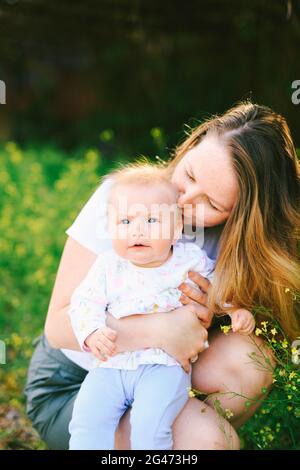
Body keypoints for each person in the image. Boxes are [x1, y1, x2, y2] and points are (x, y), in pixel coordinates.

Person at [24, 102, 299, 450]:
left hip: (159, 377)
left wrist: (211, 313)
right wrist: (162, 331)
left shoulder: (227, 248)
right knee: (211, 441)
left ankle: (168, 436)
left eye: (212, 204)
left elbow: (234, 326)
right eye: (191, 175)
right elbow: (58, 326)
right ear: (191, 146)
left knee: (249, 363)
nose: (185, 201)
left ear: (241, 217)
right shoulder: (125, 200)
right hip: (76, 384)